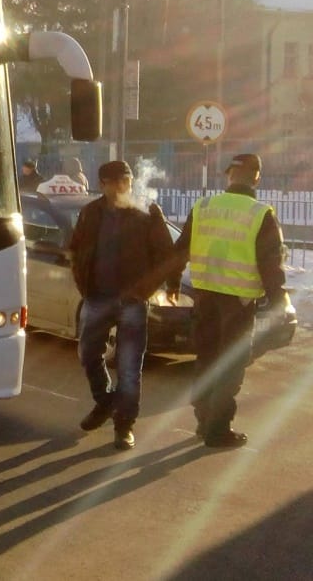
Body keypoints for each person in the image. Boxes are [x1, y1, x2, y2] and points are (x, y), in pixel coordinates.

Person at [173, 153, 285, 449]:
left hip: (205, 296)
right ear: (257, 176)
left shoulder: (204, 206)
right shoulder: (260, 213)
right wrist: (279, 302)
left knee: (207, 358)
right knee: (230, 364)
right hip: (239, 302)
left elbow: (180, 250)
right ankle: (217, 430)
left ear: (229, 176)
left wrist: (173, 283)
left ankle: (204, 419)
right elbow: (270, 265)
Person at [68, 160, 178, 450]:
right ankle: (105, 402)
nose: (124, 188)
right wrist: (84, 285)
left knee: (129, 368)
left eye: (127, 182)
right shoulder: (90, 212)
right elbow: (75, 249)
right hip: (97, 297)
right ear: (103, 184)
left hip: (132, 302)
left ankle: (124, 425)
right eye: (117, 182)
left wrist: (148, 289)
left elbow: (167, 254)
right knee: (87, 354)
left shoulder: (146, 213)